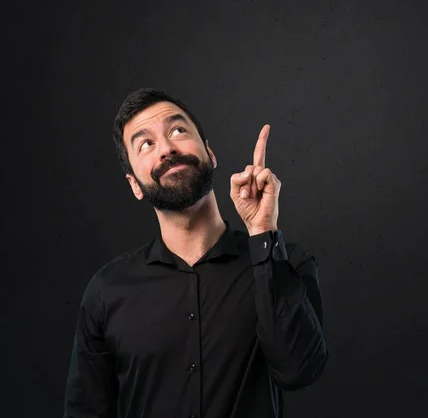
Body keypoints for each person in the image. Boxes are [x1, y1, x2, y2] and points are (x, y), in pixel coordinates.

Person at [63, 88, 328, 418]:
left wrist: (263, 233)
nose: (167, 149)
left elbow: (299, 370)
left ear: (210, 154)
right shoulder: (106, 291)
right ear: (134, 185)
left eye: (177, 130)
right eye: (146, 144)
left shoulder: (284, 261)